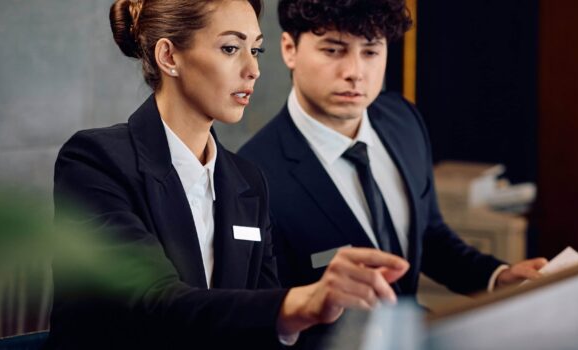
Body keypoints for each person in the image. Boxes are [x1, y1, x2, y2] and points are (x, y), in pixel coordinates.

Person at [47, 0, 408, 348]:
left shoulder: (246, 180)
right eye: (232, 48)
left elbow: (257, 323)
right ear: (169, 56)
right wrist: (301, 302)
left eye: (256, 50)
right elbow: (153, 303)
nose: (253, 70)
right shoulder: (95, 161)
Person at [238, 0, 549, 347]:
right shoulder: (250, 176)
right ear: (289, 50)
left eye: (371, 51)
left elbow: (430, 236)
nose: (355, 71)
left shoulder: (403, 120)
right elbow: (257, 320)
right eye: (333, 50)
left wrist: (497, 277)